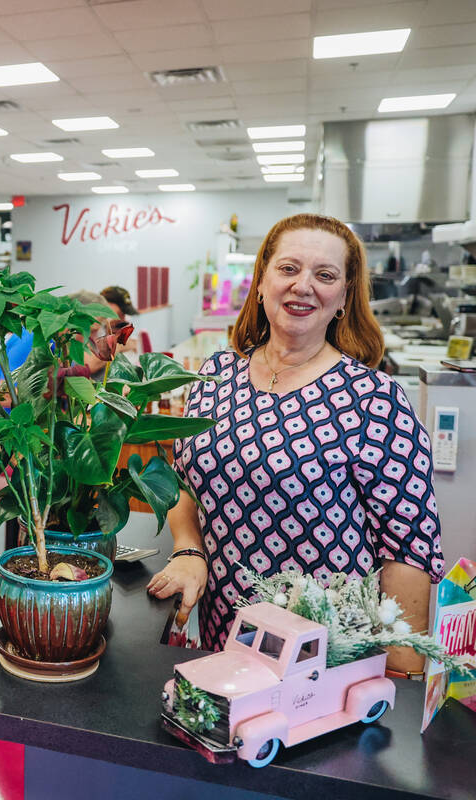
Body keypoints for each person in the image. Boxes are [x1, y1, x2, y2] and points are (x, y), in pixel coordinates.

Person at [146, 213, 445, 675]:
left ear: (344, 296)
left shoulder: (375, 399)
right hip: (223, 631)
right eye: (288, 269)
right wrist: (189, 549)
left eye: (324, 275)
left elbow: (407, 549)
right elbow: (183, 482)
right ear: (261, 280)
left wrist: (401, 677)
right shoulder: (215, 374)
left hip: (327, 655)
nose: (303, 285)